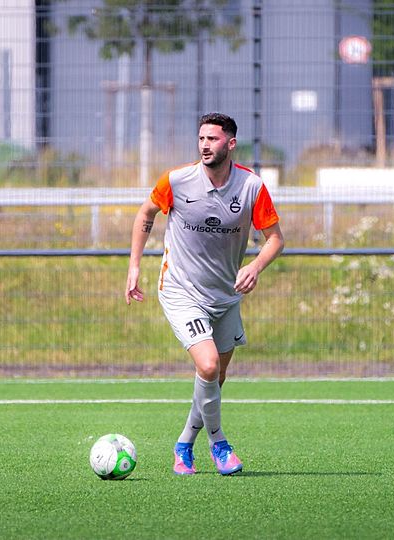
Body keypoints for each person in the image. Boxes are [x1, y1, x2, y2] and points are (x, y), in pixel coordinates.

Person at [125, 112, 284, 476]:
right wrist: (134, 266)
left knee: (215, 376)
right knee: (208, 364)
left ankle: (184, 444)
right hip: (181, 290)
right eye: (201, 139)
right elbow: (146, 213)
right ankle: (220, 445)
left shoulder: (251, 187)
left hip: (225, 295)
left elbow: (276, 239)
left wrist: (255, 267)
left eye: (212, 139)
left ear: (231, 143)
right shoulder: (177, 180)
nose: (204, 146)